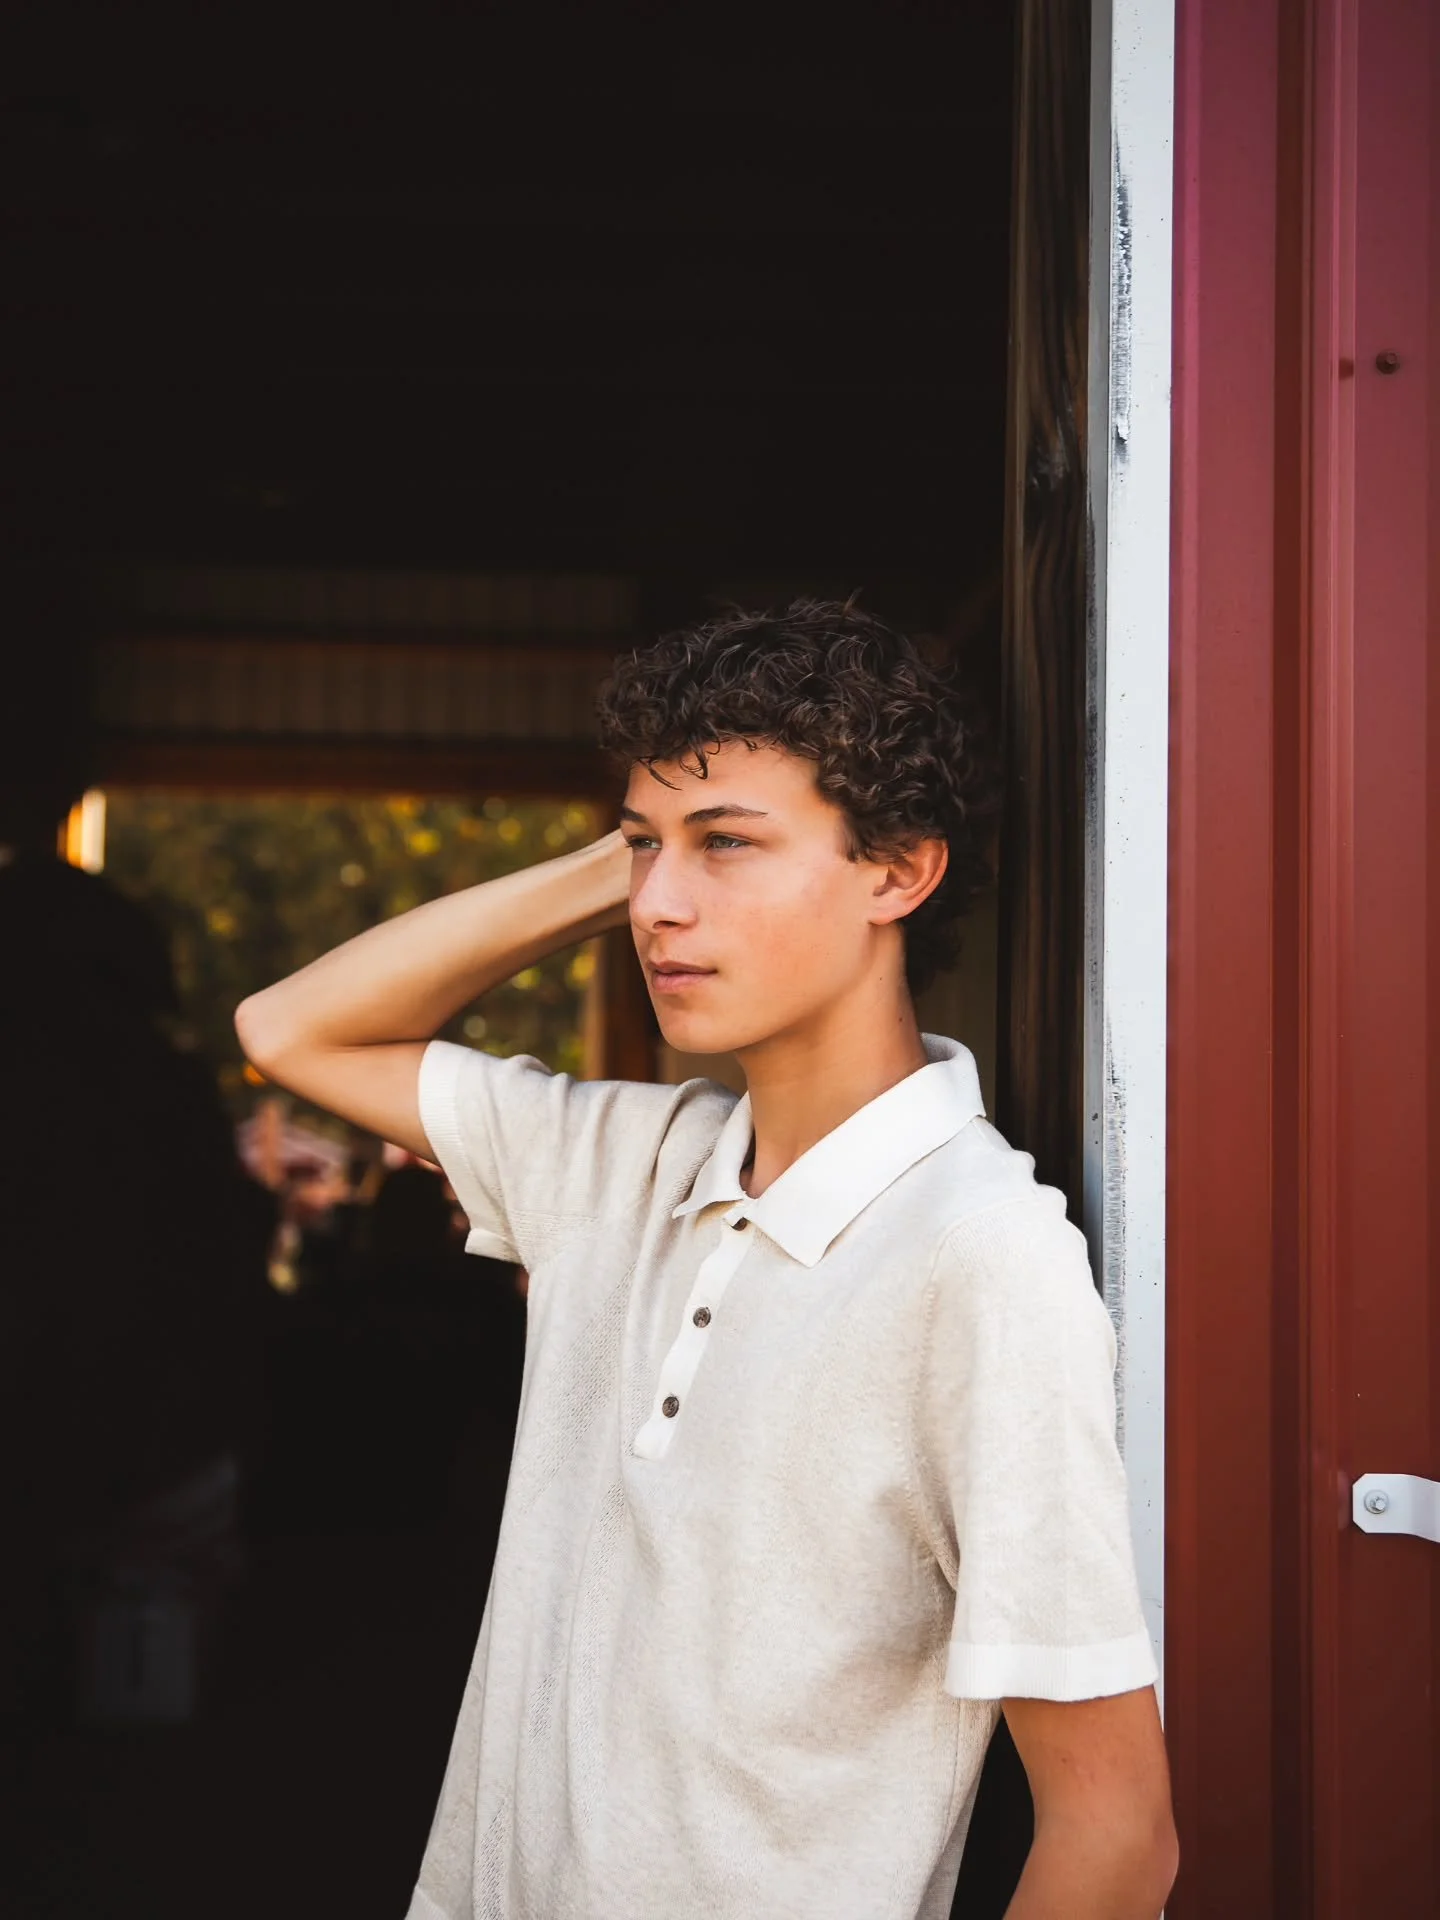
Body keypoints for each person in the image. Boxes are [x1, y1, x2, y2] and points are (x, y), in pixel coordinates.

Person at [236, 600, 1178, 1920]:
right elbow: (291, 1030)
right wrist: (645, 836)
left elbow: (1118, 1830)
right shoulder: (611, 1165)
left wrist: (667, 822)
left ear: (899, 871)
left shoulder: (981, 1257)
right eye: (642, 853)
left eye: (730, 846)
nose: (658, 906)